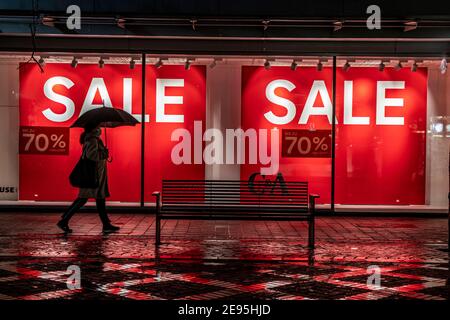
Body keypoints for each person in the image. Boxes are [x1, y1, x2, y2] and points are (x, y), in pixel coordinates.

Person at [57, 125, 120, 233]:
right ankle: (64, 221)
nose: (100, 129)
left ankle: (106, 224)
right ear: (94, 129)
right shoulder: (92, 140)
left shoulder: (92, 139)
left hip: (96, 175)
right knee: (83, 199)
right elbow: (92, 156)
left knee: (99, 199)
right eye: (98, 127)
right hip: (93, 176)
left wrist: (103, 152)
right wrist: (104, 153)